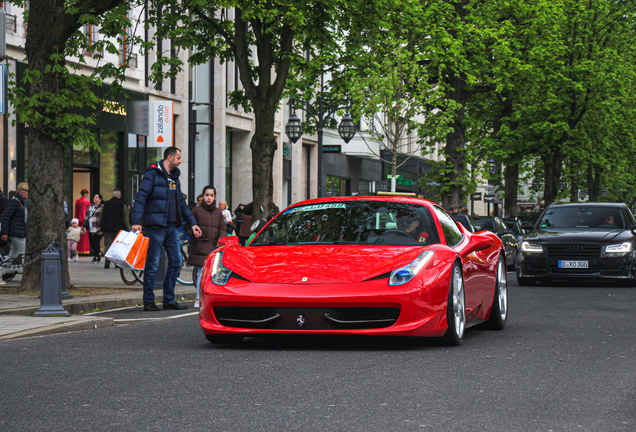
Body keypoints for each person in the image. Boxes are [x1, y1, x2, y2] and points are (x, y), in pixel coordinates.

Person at [131, 147, 202, 312]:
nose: (180, 161)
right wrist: (136, 221)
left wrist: (192, 223)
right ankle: (149, 301)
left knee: (176, 262)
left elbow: (182, 204)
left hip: (171, 227)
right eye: (178, 158)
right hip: (155, 227)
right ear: (170, 158)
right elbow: (141, 197)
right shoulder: (152, 174)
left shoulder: (174, 178)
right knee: (153, 265)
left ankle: (169, 299)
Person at [187, 186, 226, 308]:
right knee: (201, 272)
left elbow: (222, 229)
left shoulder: (218, 213)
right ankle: (198, 298)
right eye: (207, 195)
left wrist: (221, 240)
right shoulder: (196, 211)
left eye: (211, 195)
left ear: (215, 197)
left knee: (213, 274)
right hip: (200, 245)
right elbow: (188, 227)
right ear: (203, 196)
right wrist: (193, 233)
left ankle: (212, 297)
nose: (209, 198)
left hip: (214, 246)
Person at [1, 183, 28, 282]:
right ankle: (25, 272)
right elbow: (6, 217)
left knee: (13, 255)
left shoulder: (24, 202)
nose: (28, 193)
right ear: (21, 191)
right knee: (25, 253)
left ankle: (1, 272)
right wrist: (5, 232)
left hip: (19, 232)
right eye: (27, 191)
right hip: (17, 233)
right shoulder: (15, 202)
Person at [100, 189, 130, 268]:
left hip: (107, 228)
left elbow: (101, 216)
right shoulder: (122, 204)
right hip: (119, 229)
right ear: (119, 195)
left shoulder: (106, 204)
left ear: (112, 195)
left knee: (108, 244)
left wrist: (101, 226)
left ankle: (107, 261)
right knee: (118, 246)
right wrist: (128, 229)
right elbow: (125, 218)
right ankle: (117, 263)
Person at [84, 194, 104, 263]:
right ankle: (98, 253)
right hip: (91, 228)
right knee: (92, 243)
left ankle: (96, 257)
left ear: (100, 200)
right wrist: (84, 225)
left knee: (96, 242)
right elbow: (87, 216)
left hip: (98, 229)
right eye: (94, 197)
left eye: (96, 197)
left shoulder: (102, 207)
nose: (94, 198)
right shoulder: (90, 207)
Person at [74, 189, 91, 255]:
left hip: (79, 218)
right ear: (86, 194)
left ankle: (79, 249)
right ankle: (85, 249)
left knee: (79, 234)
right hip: (85, 218)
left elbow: (76, 212)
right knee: (85, 235)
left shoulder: (78, 201)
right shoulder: (88, 202)